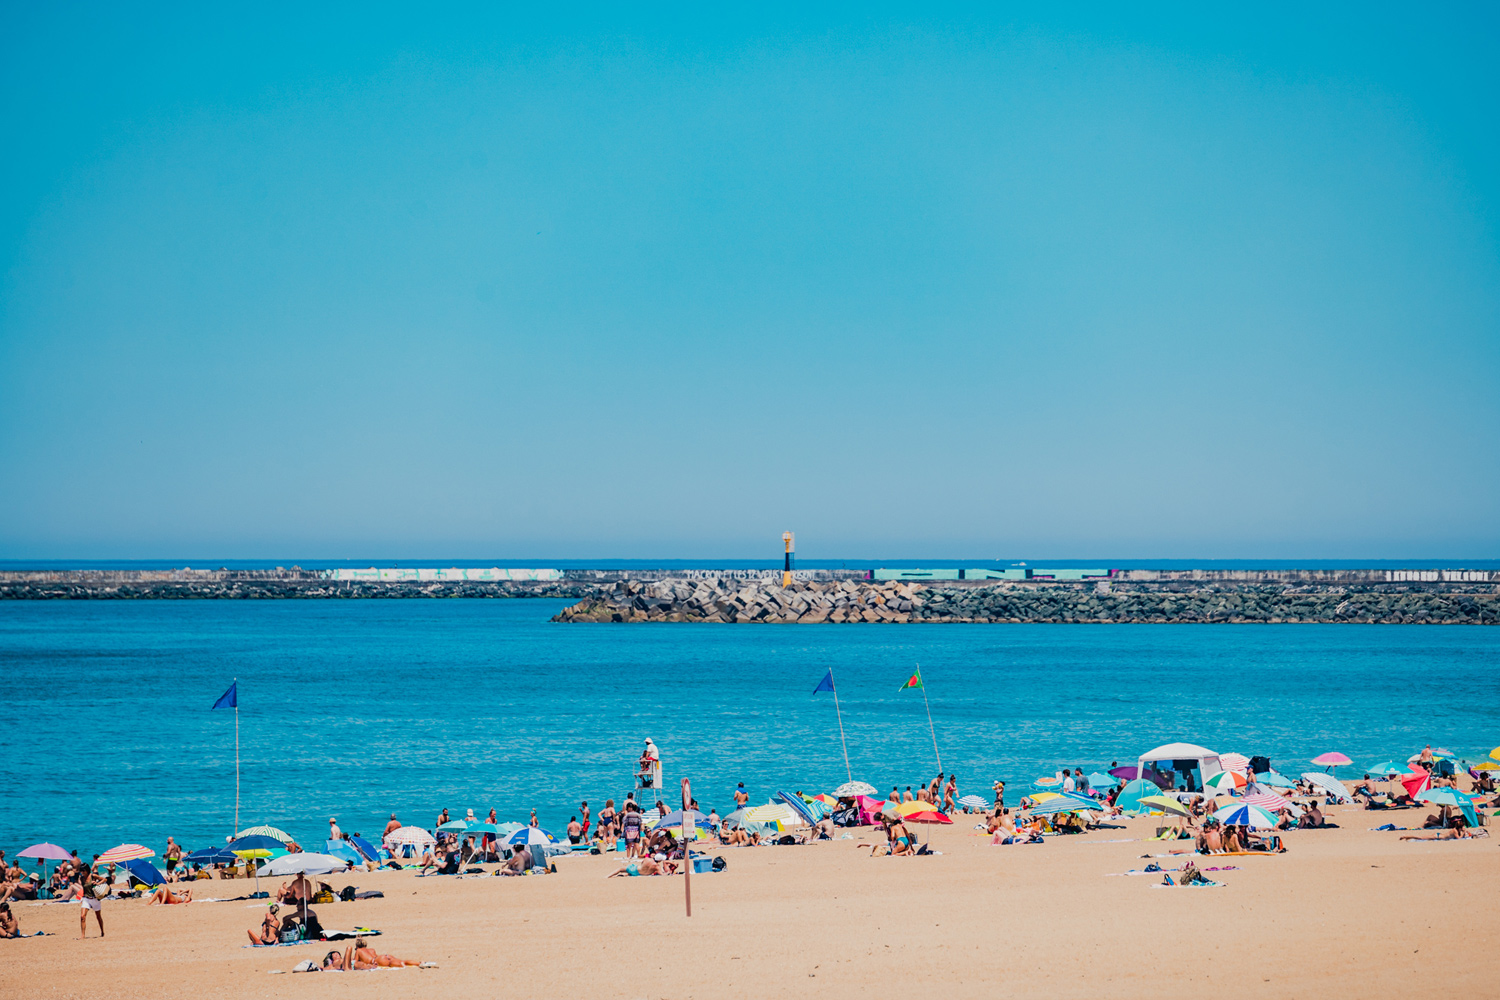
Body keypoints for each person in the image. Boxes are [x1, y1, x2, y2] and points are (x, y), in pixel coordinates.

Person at [350, 936, 426, 968]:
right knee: (402, 961)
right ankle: (419, 963)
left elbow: (355, 962)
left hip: (376, 960)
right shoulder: (371, 949)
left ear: (357, 946)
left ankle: (402, 965)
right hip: (384, 956)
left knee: (392, 964)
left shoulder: (358, 950)